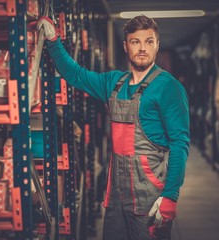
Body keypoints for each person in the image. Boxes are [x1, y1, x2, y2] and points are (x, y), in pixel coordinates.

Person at [37, 15, 190, 240]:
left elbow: (180, 145)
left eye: (149, 41)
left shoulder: (169, 88)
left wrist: (170, 195)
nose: (142, 48)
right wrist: (53, 41)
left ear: (157, 45)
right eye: (135, 41)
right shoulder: (114, 83)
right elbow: (76, 75)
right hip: (116, 196)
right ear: (125, 45)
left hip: (149, 196)